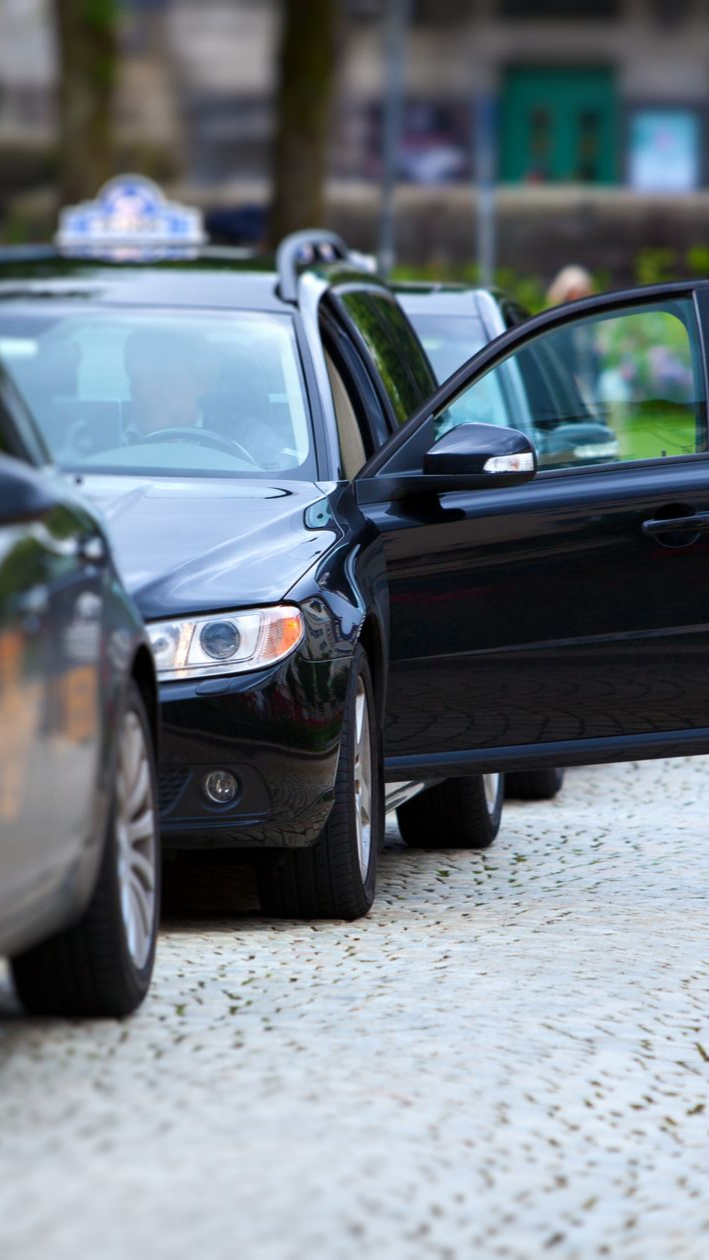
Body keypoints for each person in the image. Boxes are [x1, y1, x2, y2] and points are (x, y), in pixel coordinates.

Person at [122, 326, 216, 441]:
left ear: (200, 383)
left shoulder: (239, 441)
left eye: (160, 377)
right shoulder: (97, 439)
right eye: (136, 377)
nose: (144, 391)